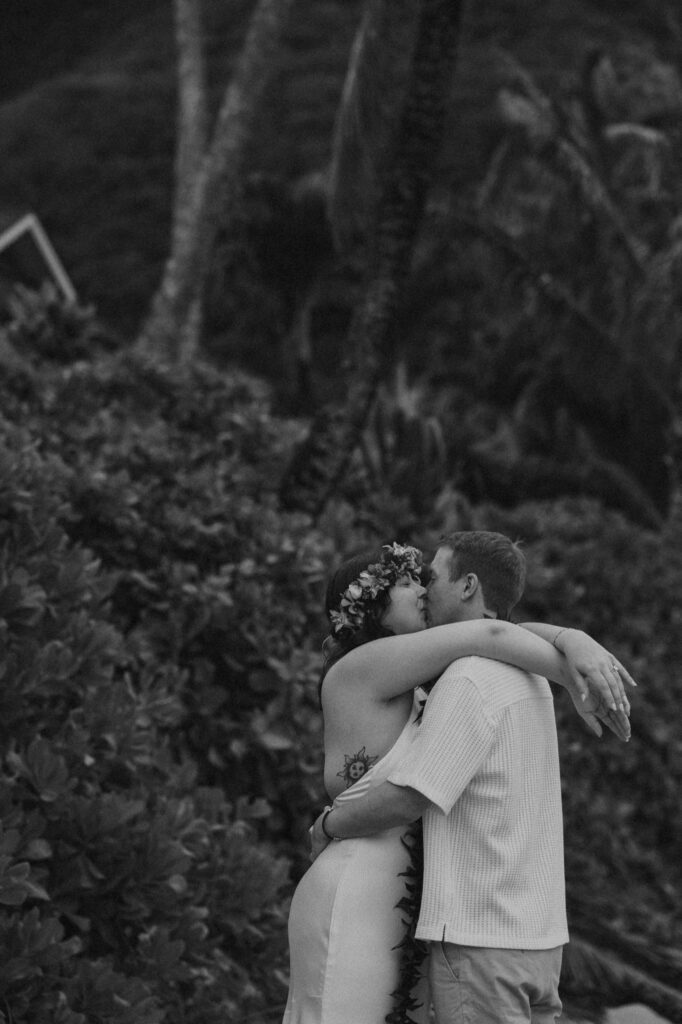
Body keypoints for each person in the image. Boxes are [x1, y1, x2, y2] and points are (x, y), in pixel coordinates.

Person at [284, 535, 633, 1024]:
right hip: (358, 882)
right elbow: (490, 634)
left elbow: (495, 632)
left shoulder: (435, 672)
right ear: (373, 608)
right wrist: (576, 669)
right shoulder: (363, 669)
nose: (423, 587)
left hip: (406, 898)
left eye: (426, 575)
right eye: (408, 581)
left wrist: (572, 642)